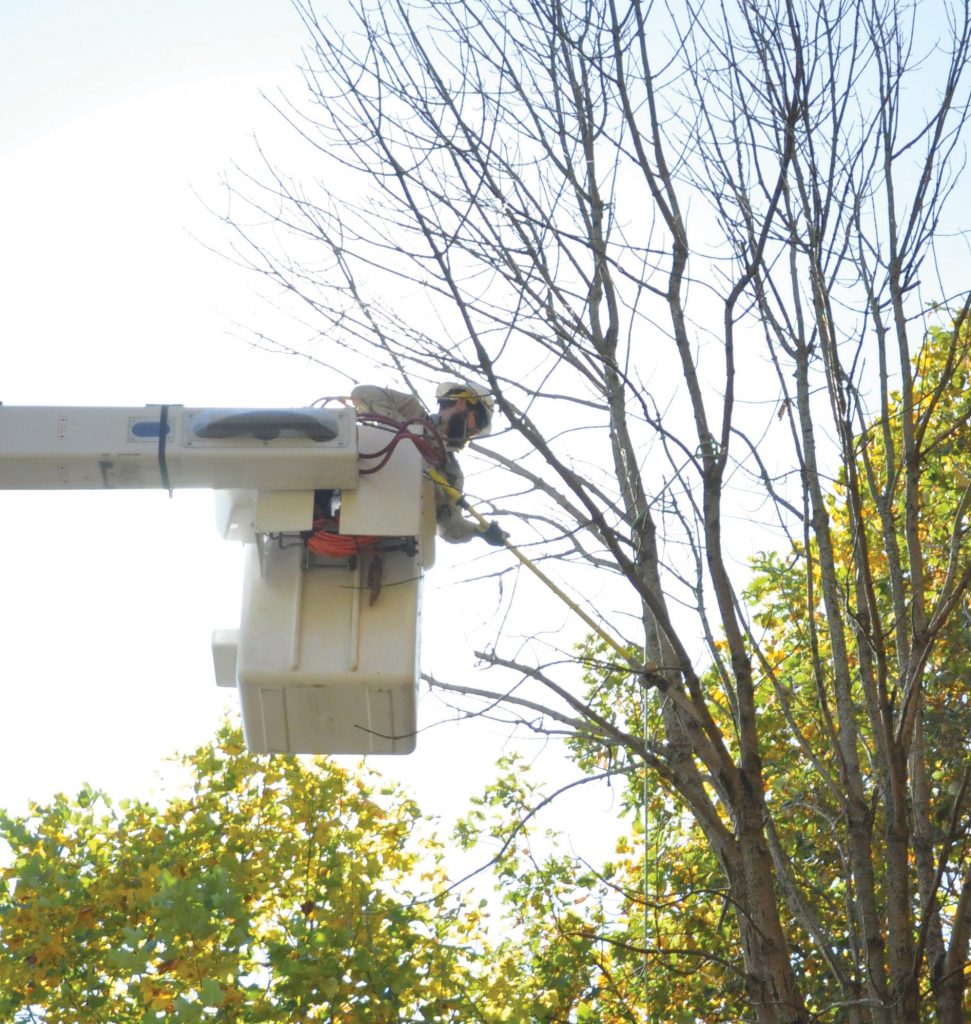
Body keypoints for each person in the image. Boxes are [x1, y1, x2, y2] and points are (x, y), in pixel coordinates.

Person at [350, 381, 507, 546]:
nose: (476, 431)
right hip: (356, 500)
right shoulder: (412, 412)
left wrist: (480, 532)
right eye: (479, 421)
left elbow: (450, 528)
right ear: (462, 403)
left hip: (387, 539)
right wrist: (406, 433)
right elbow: (362, 392)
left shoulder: (451, 473)